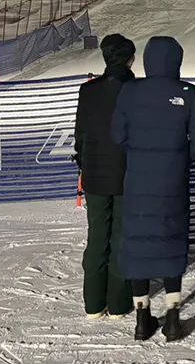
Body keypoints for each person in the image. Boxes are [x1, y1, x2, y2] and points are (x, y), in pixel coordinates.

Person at [111, 36, 195, 342]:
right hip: (173, 181)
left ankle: (142, 319)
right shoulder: (188, 93)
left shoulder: (130, 91)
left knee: (138, 243)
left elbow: (117, 135)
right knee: (171, 241)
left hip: (138, 180)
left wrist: (139, 153)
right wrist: (179, 158)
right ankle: (172, 319)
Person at [74, 34, 135, 321]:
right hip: (127, 175)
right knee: (121, 238)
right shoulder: (136, 90)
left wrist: (83, 163)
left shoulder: (88, 91)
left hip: (96, 175)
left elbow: (80, 134)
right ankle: (119, 303)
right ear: (129, 59)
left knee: (97, 236)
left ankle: (93, 303)